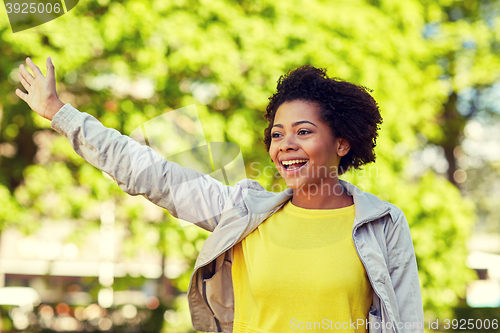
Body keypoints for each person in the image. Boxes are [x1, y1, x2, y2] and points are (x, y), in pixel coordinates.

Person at [16, 57, 423, 333]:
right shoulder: (244, 214)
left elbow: (405, 321)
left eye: (304, 132)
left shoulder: (382, 223)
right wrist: (60, 113)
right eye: (277, 134)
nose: (285, 145)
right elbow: (151, 173)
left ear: (342, 143)